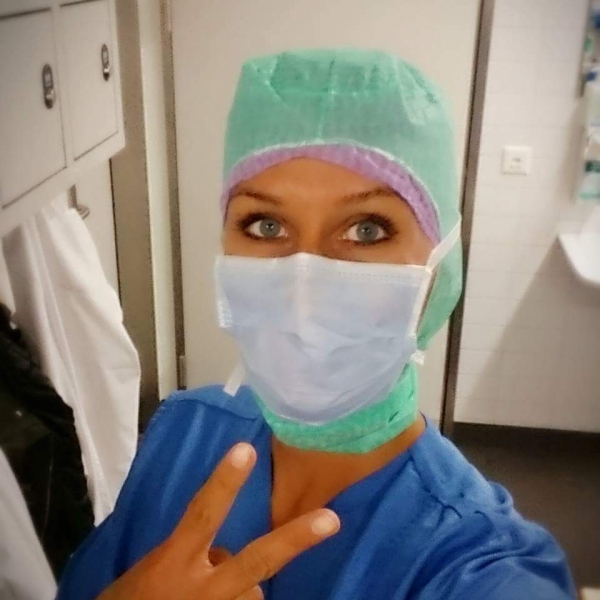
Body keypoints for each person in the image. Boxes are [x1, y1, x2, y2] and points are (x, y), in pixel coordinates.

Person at [56, 49, 576, 600]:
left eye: (367, 230)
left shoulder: (481, 568)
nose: (302, 285)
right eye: (265, 224)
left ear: (440, 266)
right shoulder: (184, 431)